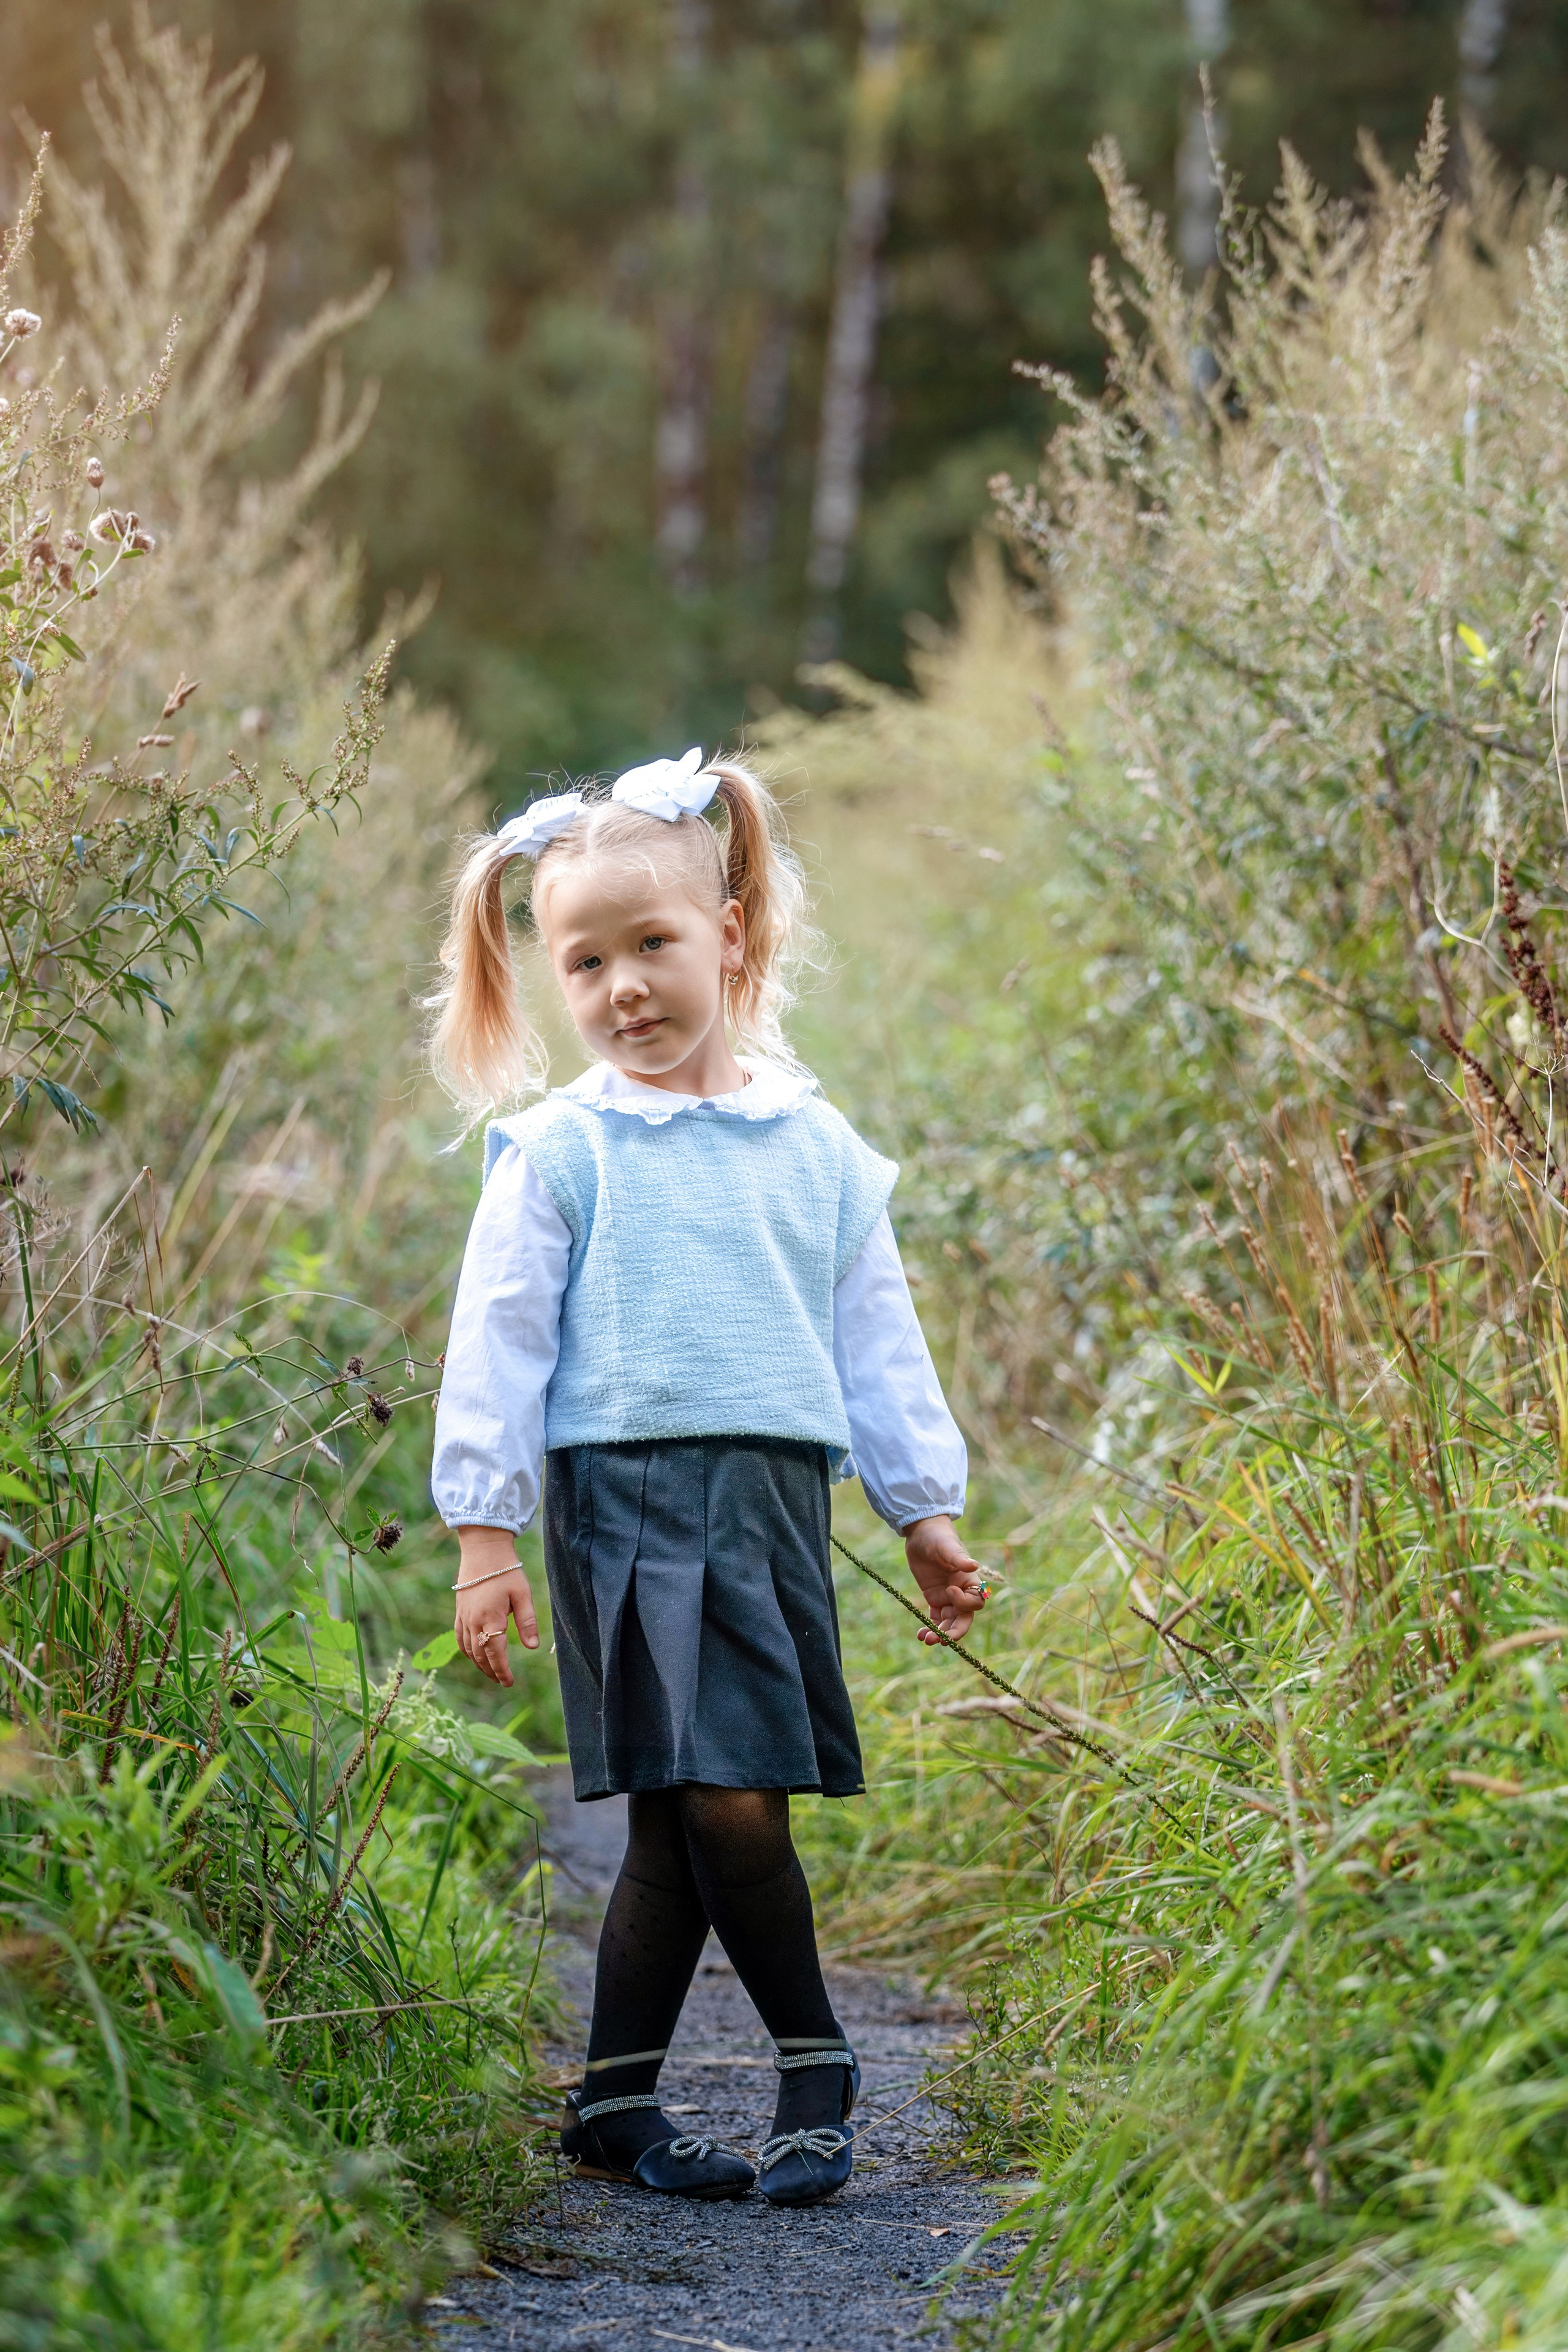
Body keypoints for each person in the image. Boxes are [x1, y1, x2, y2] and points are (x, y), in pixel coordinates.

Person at [428, 747, 986, 2206]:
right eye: (585, 961)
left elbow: (877, 1342)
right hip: (618, 1511)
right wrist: (485, 1531)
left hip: (767, 1507)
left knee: (692, 1809)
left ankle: (614, 2103)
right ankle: (817, 2057)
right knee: (721, 1791)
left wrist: (923, 1512)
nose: (623, 989)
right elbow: (494, 1346)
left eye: (652, 946)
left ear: (730, 933)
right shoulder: (556, 1153)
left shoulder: (819, 1152)